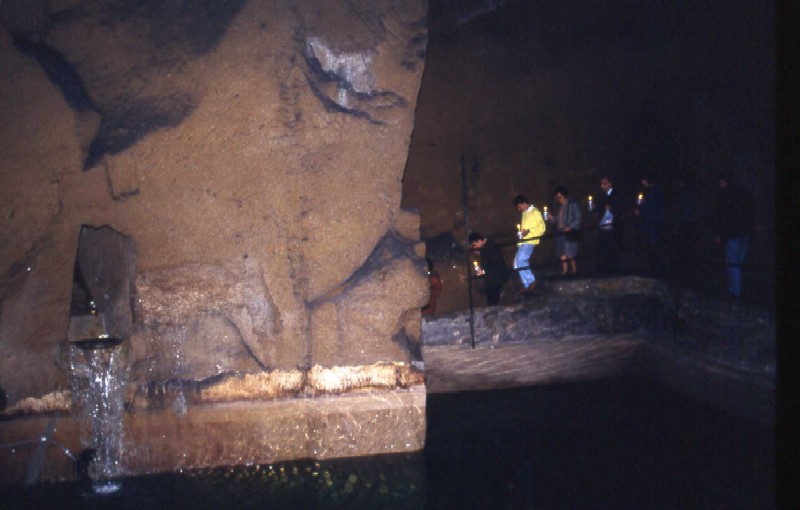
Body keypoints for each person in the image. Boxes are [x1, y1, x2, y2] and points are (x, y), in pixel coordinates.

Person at [713, 173, 754, 298]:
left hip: (733, 234)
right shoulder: (744, 192)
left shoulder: (725, 194)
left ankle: (735, 291)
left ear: (724, 181)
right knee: (739, 262)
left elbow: (723, 217)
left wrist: (720, 234)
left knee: (732, 262)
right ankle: (738, 287)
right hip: (745, 232)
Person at [512, 194, 546, 293]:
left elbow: (542, 228)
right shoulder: (524, 213)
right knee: (517, 263)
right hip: (523, 241)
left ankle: (531, 280)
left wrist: (529, 231)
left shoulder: (535, 212)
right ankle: (526, 284)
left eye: (519, 206)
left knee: (521, 260)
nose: (519, 209)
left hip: (530, 240)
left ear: (524, 203)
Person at [633, 174, 665, 276]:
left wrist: (641, 209)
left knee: (652, 248)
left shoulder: (652, 192)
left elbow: (650, 209)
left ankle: (653, 271)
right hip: (655, 223)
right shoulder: (658, 191)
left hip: (652, 224)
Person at [547, 186, 581, 276]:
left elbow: (577, 218)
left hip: (568, 232)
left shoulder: (572, 204)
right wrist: (551, 218)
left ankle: (574, 270)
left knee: (570, 252)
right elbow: (558, 219)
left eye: (560, 197)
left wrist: (570, 227)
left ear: (564, 196)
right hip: (561, 231)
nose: (558, 199)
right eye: (557, 197)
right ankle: (565, 271)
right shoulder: (561, 206)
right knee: (562, 252)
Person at [468, 232, 508, 305]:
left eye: (474, 245)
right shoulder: (487, 247)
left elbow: (495, 264)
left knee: (492, 300)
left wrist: (483, 271)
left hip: (495, 278)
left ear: (479, 241)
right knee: (491, 299)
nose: (475, 247)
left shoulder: (490, 247)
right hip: (492, 278)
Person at [596, 175, 623, 275]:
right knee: (605, 247)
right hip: (604, 226)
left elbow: (619, 208)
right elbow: (600, 208)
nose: (602, 186)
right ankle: (606, 268)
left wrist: (611, 208)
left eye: (605, 184)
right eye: (601, 184)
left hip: (613, 226)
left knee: (613, 247)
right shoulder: (602, 195)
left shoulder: (615, 195)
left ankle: (614, 268)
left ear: (610, 184)